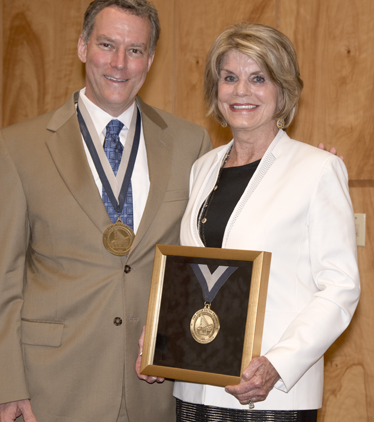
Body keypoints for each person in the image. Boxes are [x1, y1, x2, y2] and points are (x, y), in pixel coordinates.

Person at [0, 0, 212, 422]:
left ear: (151, 58)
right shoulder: (19, 147)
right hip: (53, 386)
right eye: (107, 45)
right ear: (83, 47)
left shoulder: (190, 143)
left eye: (135, 50)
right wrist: (4, 386)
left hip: (155, 388)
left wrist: (303, 170)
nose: (119, 63)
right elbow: (1, 279)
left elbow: (205, 253)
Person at [137, 23, 360, 422]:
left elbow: (340, 287)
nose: (241, 91)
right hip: (194, 387)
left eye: (259, 78)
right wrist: (159, 338)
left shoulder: (317, 169)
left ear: (283, 90)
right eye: (229, 78)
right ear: (216, 89)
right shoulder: (203, 168)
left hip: (268, 395)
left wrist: (278, 364)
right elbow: (192, 273)